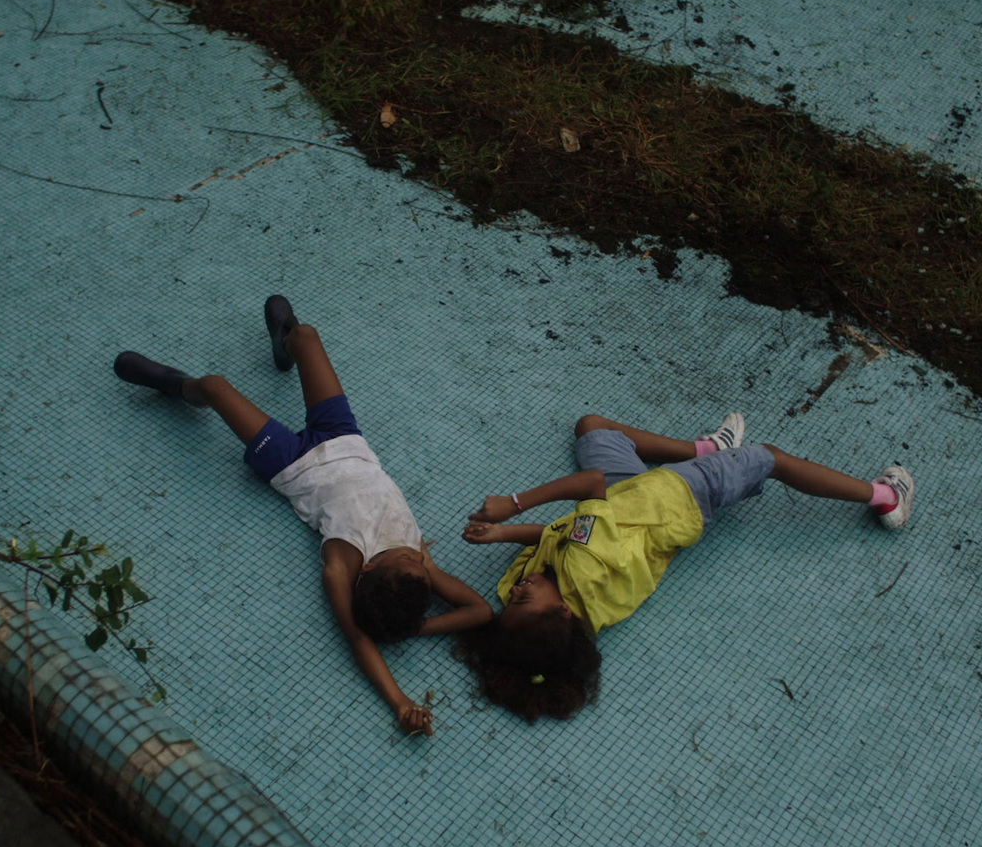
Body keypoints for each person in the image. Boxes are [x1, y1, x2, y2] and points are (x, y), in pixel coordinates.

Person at [113, 296, 491, 735]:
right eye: (417, 563)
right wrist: (419, 627)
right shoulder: (417, 573)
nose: (415, 555)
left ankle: (176, 385)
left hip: (290, 464)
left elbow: (357, 637)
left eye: (406, 560)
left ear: (369, 567)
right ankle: (284, 344)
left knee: (216, 387)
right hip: (344, 438)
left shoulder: (342, 567)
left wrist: (400, 700)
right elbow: (480, 610)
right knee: (306, 335)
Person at [457, 412, 914, 722]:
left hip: (621, 508)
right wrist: (513, 507)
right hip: (675, 499)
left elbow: (558, 536)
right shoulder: (585, 566)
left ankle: (708, 448)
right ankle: (886, 497)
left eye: (516, 598)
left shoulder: (573, 614)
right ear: (563, 614)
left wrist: (501, 536)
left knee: (592, 428)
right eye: (526, 596)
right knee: (771, 458)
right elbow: (590, 486)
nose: (519, 588)